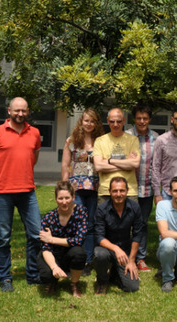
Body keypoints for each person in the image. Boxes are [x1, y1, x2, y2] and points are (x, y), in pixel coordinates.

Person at [0, 97, 42, 292]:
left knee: (36, 235)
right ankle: (5, 278)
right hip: (2, 193)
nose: (20, 114)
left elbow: (33, 159)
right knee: (4, 238)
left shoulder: (35, 133)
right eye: (16, 110)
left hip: (27, 192)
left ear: (28, 111)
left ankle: (33, 274)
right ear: (9, 111)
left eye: (23, 111)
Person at [61, 108, 105, 275]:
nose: (89, 124)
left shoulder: (101, 141)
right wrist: (65, 188)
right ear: (81, 121)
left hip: (94, 188)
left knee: (91, 225)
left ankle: (87, 260)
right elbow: (65, 165)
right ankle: (75, 258)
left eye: (92, 121)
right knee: (78, 223)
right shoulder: (72, 140)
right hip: (76, 188)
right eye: (86, 120)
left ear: (97, 123)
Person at [93, 177, 144, 294]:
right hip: (106, 248)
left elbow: (137, 234)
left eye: (122, 190)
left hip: (125, 252)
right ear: (110, 191)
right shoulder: (101, 209)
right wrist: (116, 249)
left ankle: (115, 273)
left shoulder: (135, 207)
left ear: (127, 191)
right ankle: (102, 281)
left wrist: (131, 261)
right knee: (100, 255)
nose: (118, 194)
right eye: (115, 191)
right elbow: (99, 237)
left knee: (132, 287)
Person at [37, 181, 87, 297]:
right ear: (55, 199)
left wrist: (52, 239)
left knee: (79, 252)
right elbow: (45, 247)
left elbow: (79, 240)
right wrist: (54, 267)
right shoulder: (48, 218)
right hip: (53, 254)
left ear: (73, 197)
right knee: (46, 275)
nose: (64, 202)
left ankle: (74, 284)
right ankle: (52, 281)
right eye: (60, 198)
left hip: (71, 254)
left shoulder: (81, 212)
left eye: (67, 198)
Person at [125, 103, 159, 272]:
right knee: (126, 223)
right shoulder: (126, 136)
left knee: (142, 224)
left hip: (147, 189)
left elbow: (157, 164)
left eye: (145, 118)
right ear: (134, 119)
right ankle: (124, 255)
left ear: (149, 119)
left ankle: (141, 258)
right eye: (138, 118)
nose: (142, 121)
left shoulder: (156, 138)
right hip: (128, 188)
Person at [93, 108, 140, 202]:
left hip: (129, 192)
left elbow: (135, 164)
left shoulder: (133, 140)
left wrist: (110, 161)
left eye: (119, 121)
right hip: (106, 192)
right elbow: (98, 166)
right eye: (112, 121)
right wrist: (126, 164)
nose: (115, 124)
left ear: (124, 121)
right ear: (107, 121)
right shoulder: (100, 141)